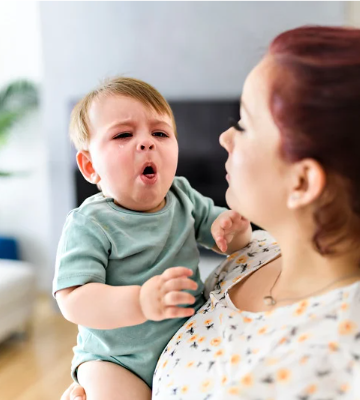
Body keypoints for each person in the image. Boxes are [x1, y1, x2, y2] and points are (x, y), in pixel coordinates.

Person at [62, 26, 360, 400]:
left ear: (303, 181)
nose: (224, 138)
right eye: (123, 135)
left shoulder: (326, 369)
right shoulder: (267, 251)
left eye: (245, 123)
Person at [53, 77, 252, 399]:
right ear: (90, 166)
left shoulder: (183, 195)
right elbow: (73, 301)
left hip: (187, 338)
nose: (147, 143)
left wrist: (236, 229)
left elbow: (231, 244)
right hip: (115, 360)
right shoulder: (89, 223)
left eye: (159, 133)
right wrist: (140, 302)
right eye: (123, 135)